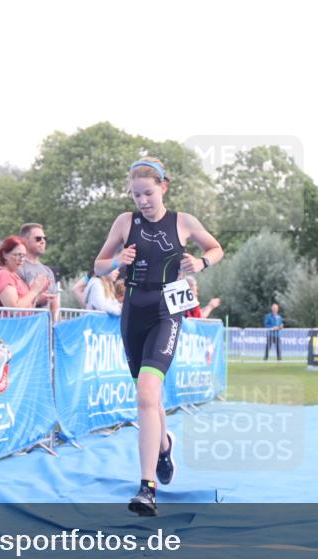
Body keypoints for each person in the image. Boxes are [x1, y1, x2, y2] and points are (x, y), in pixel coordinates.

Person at [94, 157, 224, 516]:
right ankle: (164, 445)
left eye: (148, 193)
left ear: (163, 187)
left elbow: (216, 248)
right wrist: (119, 259)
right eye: (136, 195)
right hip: (133, 310)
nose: (143, 201)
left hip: (167, 311)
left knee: (147, 394)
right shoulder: (124, 222)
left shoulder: (183, 222)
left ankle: (146, 488)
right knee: (148, 398)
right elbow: (99, 265)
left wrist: (201, 263)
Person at [0, 236, 52, 315]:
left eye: (24, 255)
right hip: (8, 326)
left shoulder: (10, 274)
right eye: (17, 255)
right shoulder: (4, 275)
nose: (21, 259)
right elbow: (14, 309)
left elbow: (25, 306)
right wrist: (34, 291)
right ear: (4, 254)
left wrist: (36, 293)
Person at [18, 223, 61, 321]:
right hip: (24, 325)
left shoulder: (47, 271)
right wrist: (37, 299)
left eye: (44, 238)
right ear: (25, 241)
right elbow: (15, 303)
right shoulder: (18, 267)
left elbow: (54, 303)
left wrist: (58, 327)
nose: (42, 241)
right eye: (38, 238)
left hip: (44, 328)